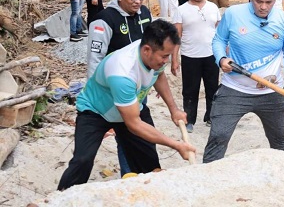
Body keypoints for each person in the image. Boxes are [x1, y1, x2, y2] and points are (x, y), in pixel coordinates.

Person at [57, 20, 196, 190]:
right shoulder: (122, 71)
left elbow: (158, 76)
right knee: (82, 160)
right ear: (146, 50)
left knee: (149, 163)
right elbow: (134, 124)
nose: (166, 61)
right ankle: (61, 198)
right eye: (165, 56)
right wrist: (176, 144)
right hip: (97, 111)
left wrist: (174, 109)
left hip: (131, 106)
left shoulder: (153, 55)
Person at [203, 0, 284, 162]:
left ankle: (283, 180)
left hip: (272, 90)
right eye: (258, 1)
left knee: (279, 141)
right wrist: (221, 58)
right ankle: (207, 178)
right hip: (234, 89)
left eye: (269, 2)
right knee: (218, 136)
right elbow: (219, 40)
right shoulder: (233, 14)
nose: (263, 7)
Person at [87, 0, 153, 177]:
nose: (137, 1)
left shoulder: (145, 13)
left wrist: (153, 80)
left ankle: (143, 173)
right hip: (115, 89)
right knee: (127, 134)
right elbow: (94, 60)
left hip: (140, 87)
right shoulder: (104, 20)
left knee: (141, 131)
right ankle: (129, 176)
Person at [172, 0, 221, 133]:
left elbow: (220, 33)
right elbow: (176, 36)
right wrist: (174, 59)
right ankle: (189, 119)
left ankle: (210, 117)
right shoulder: (181, 10)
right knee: (190, 90)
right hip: (190, 56)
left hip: (211, 55)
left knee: (212, 88)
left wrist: (224, 54)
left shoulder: (213, 7)